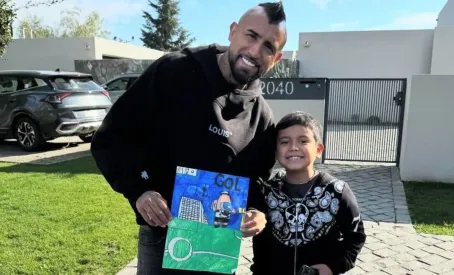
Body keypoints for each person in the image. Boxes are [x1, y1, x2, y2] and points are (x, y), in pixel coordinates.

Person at [90, 1, 287, 275]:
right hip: (160, 234)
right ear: (233, 32)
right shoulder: (173, 71)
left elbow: (258, 182)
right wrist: (139, 191)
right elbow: (112, 138)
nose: (255, 51)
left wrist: (257, 212)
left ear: (276, 59)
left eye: (268, 46)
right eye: (251, 35)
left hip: (216, 242)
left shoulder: (262, 118)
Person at [250, 111, 366, 275]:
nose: (293, 147)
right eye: (284, 142)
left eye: (303, 141)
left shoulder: (337, 191)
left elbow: (356, 237)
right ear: (276, 152)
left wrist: (333, 266)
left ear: (319, 149)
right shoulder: (265, 191)